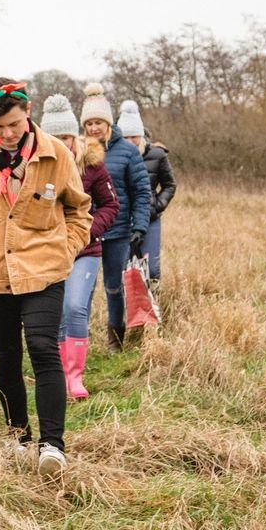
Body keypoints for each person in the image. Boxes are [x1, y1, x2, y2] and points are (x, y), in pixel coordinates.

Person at [0, 82, 91, 475]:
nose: (8, 133)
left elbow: (79, 209)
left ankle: (53, 446)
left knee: (42, 347)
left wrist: (67, 248)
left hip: (43, 269)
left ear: (28, 113)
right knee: (6, 354)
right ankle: (18, 435)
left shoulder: (56, 154)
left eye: (13, 124)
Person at [43, 94, 117, 398]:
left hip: (85, 250)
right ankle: (60, 374)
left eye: (66, 137)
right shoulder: (39, 166)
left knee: (75, 306)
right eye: (55, 138)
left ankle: (75, 376)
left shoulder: (92, 165)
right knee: (57, 312)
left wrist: (87, 231)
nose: (62, 144)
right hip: (50, 250)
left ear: (74, 136)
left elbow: (110, 205)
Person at [78, 86, 150, 350]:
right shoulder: (78, 151)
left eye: (98, 122)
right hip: (85, 230)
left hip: (118, 231)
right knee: (83, 287)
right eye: (89, 123)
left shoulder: (128, 152)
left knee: (113, 286)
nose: (94, 128)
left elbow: (141, 191)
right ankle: (78, 338)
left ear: (108, 123)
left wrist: (139, 226)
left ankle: (115, 340)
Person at [118, 99, 177, 284]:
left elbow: (170, 185)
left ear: (141, 134)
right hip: (122, 221)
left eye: (134, 136)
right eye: (125, 137)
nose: (130, 141)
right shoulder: (113, 156)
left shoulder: (157, 155)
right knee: (123, 268)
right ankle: (126, 301)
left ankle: (152, 299)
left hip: (150, 219)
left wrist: (157, 206)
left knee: (151, 269)